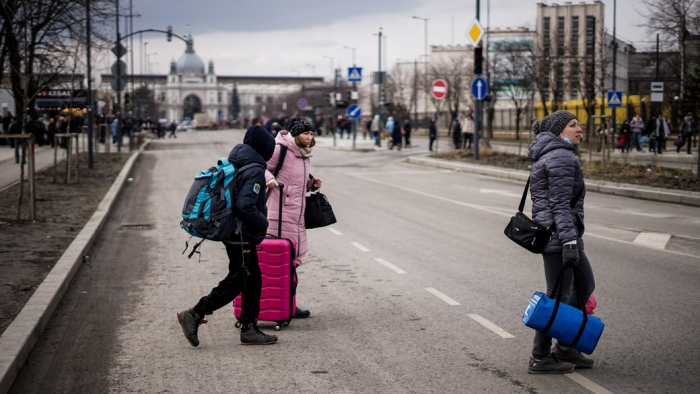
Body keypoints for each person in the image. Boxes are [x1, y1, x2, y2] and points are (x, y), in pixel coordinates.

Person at [178, 125, 278, 347]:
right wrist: (264, 223)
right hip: (240, 234)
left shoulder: (239, 160)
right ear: (264, 148)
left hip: (236, 232)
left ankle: (249, 327)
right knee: (239, 279)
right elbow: (245, 205)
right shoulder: (254, 169)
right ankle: (195, 313)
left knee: (253, 278)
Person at [527, 110, 595, 374]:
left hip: (559, 235)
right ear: (558, 132)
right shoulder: (561, 157)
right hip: (560, 237)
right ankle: (540, 356)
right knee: (558, 296)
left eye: (578, 124)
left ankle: (566, 346)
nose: (579, 129)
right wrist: (569, 242)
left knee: (578, 287)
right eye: (572, 125)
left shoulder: (552, 154)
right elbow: (559, 204)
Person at [264, 118, 322, 319]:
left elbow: (294, 184)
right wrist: (269, 179)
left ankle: (287, 303)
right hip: (278, 213)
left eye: (312, 134)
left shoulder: (303, 154)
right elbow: (260, 168)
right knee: (282, 262)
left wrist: (310, 185)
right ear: (296, 134)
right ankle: (282, 303)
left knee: (290, 262)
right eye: (306, 133)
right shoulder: (281, 149)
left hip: (296, 214)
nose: (309, 137)